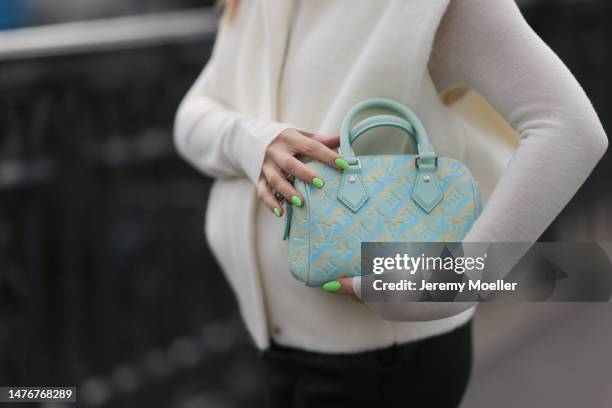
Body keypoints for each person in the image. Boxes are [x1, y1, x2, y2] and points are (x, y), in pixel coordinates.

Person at [174, 1, 608, 407]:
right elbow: (191, 117)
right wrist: (253, 142)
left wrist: (453, 284)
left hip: (379, 362)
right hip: (276, 344)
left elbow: (569, 128)